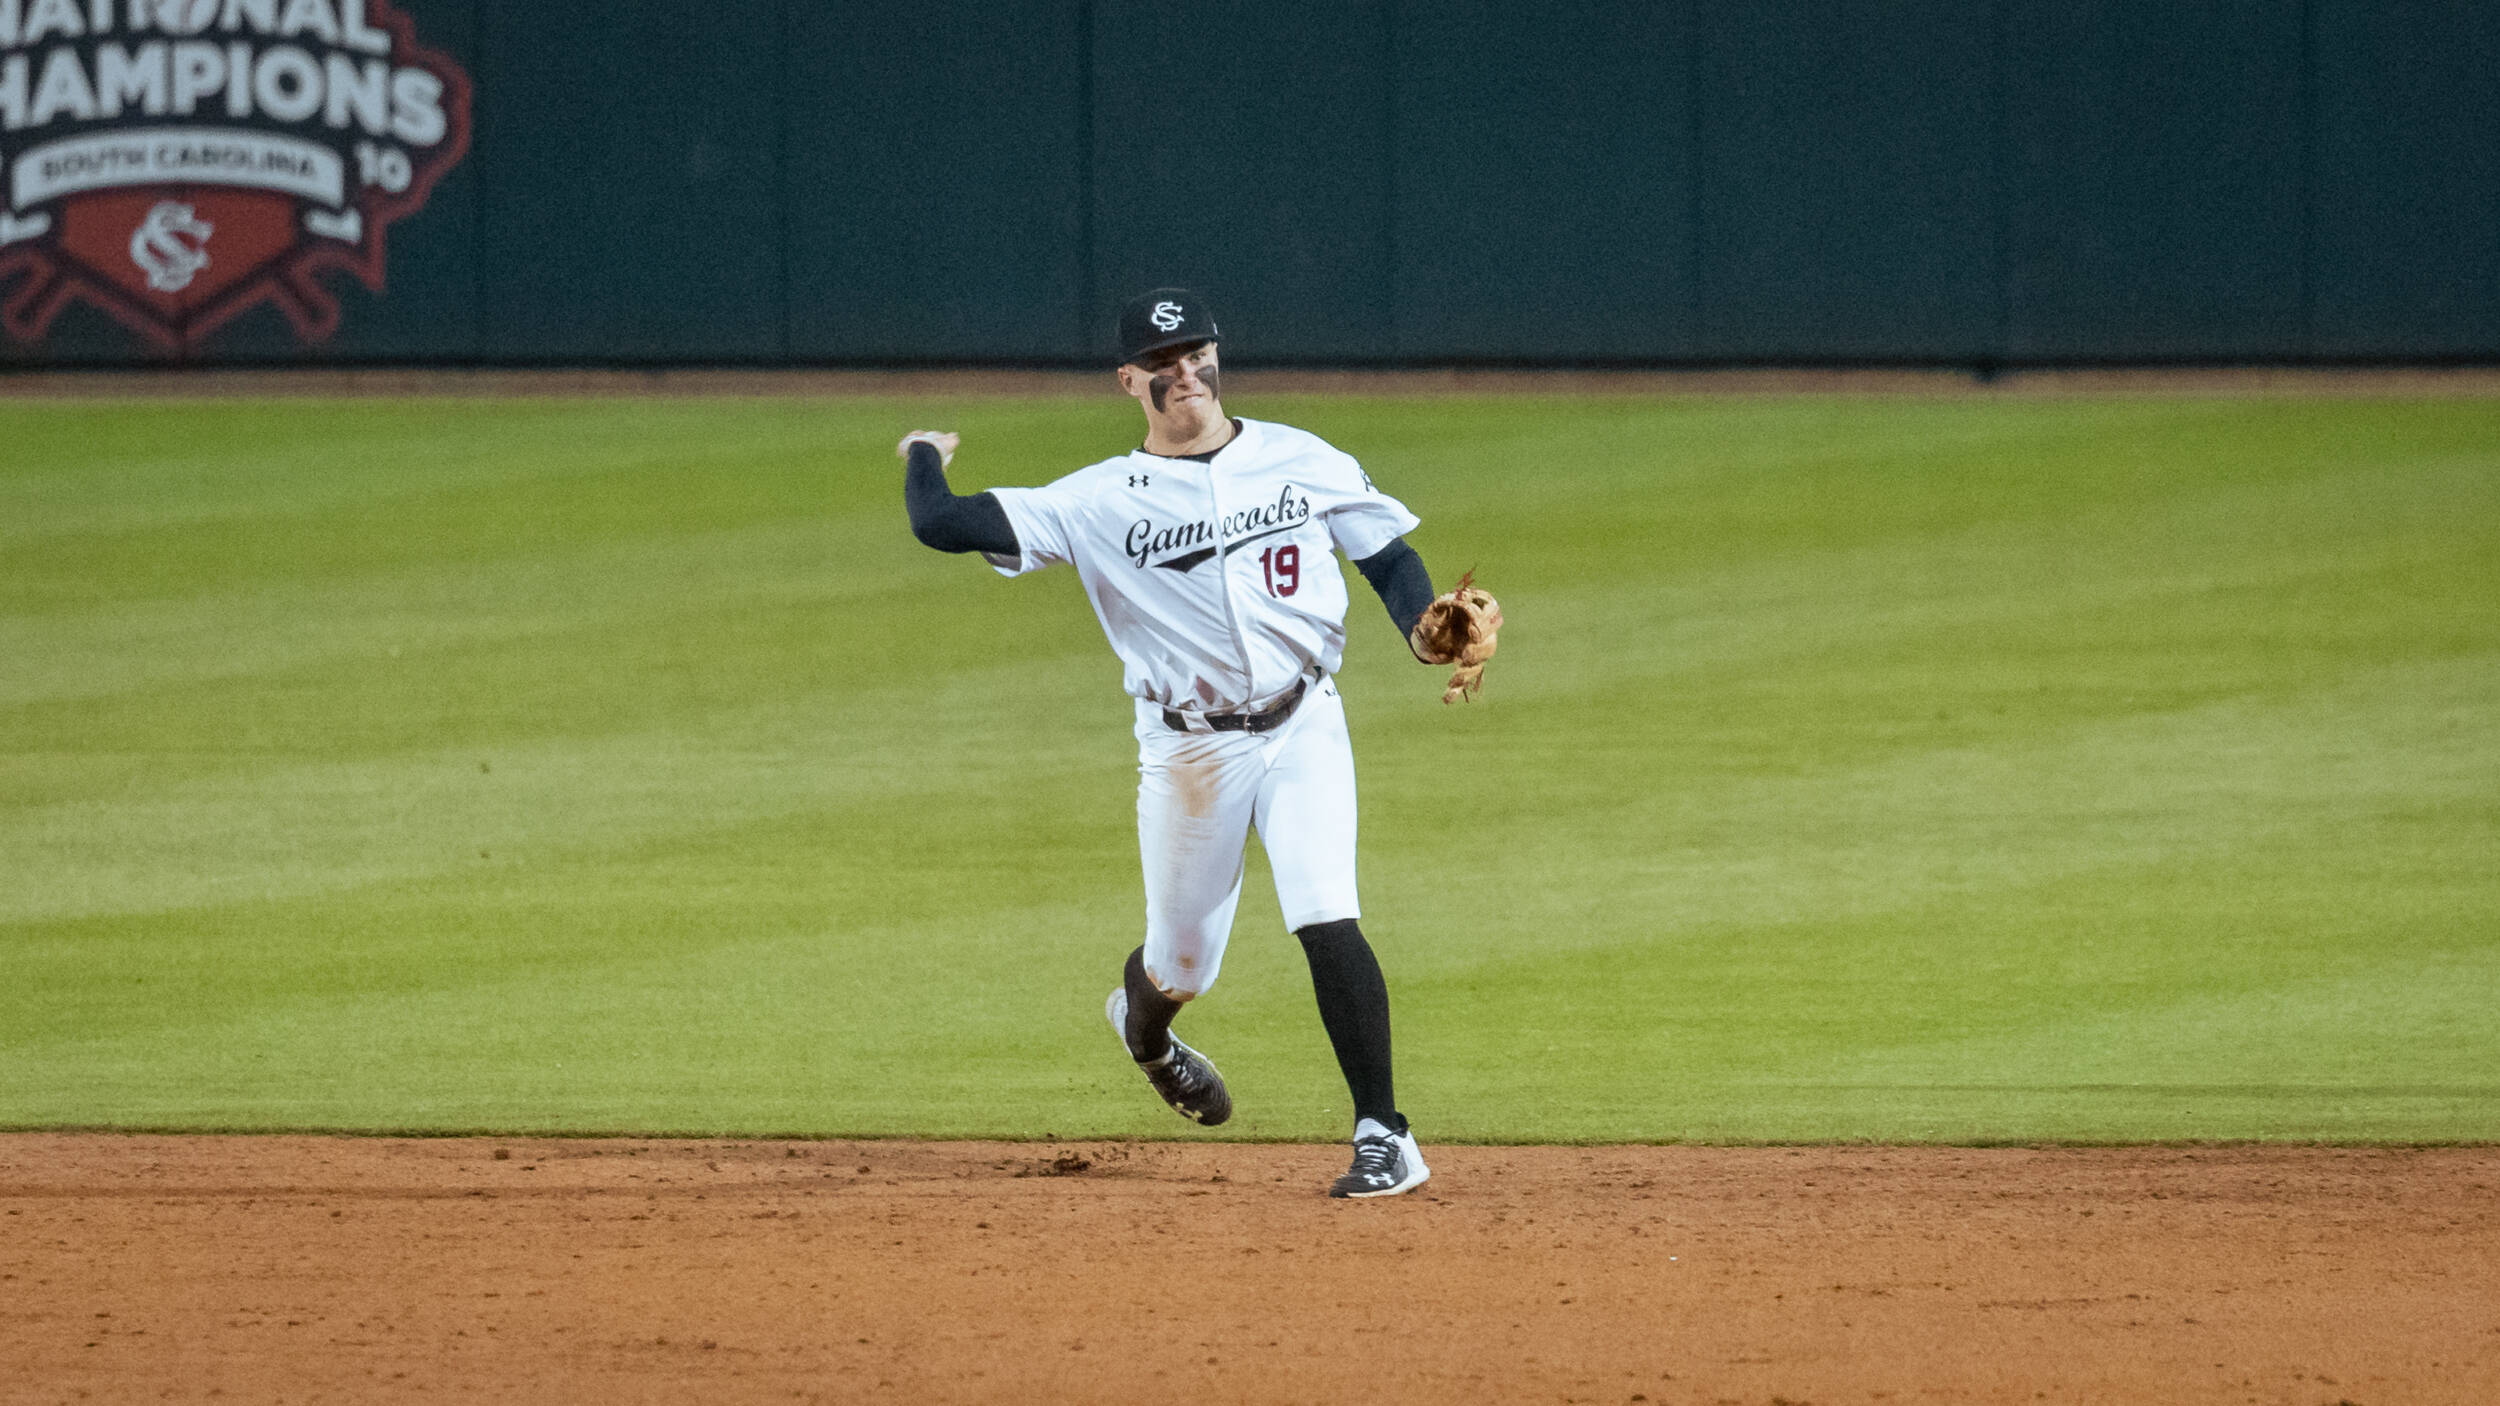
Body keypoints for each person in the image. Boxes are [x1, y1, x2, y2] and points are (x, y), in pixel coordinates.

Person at [896, 288, 1455, 1197]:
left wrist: (1418, 631)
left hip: (1305, 719)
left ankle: (1384, 1134)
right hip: (1191, 752)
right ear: (1130, 380)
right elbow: (940, 523)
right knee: (1182, 961)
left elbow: (1387, 556)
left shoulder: (1297, 458)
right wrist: (923, 452)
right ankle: (1146, 1031)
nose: (1185, 373)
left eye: (1197, 354)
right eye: (1163, 363)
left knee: (1326, 911)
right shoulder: (1096, 500)